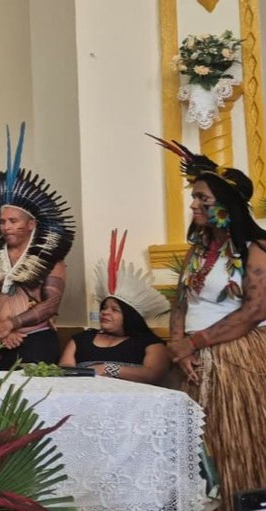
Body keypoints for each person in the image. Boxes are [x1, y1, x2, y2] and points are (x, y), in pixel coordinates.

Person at [153, 137, 266, 509]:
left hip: (235, 359)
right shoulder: (198, 249)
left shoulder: (255, 250)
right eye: (194, 197)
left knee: (234, 443)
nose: (194, 204)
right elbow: (181, 300)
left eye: (203, 198)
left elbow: (253, 312)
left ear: (228, 205)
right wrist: (176, 344)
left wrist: (194, 343)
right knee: (193, 447)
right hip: (190, 356)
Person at [0, 124, 75, 369]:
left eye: (13, 221)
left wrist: (11, 324)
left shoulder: (50, 257)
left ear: (31, 224)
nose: (6, 227)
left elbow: (51, 304)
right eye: (2, 222)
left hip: (36, 338)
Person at [59, 230, 170, 384]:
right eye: (104, 307)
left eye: (114, 309)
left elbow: (152, 375)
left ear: (130, 316)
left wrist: (107, 368)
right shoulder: (81, 339)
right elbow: (65, 370)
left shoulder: (150, 344)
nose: (105, 312)